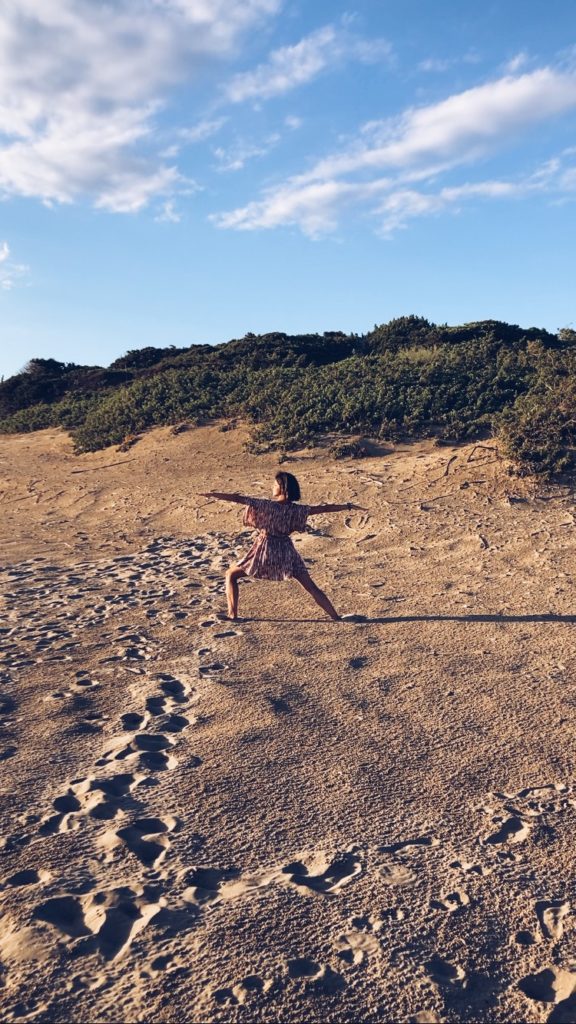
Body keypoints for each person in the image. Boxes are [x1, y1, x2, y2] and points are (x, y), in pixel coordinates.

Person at [199, 471, 365, 621]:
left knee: (231, 575)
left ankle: (232, 614)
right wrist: (348, 506)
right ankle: (335, 616)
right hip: (287, 550)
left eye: (275, 484)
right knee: (311, 586)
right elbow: (324, 509)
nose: (272, 486)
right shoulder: (298, 510)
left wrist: (213, 494)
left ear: (282, 488)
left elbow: (238, 498)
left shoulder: (266, 505)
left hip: (266, 549)